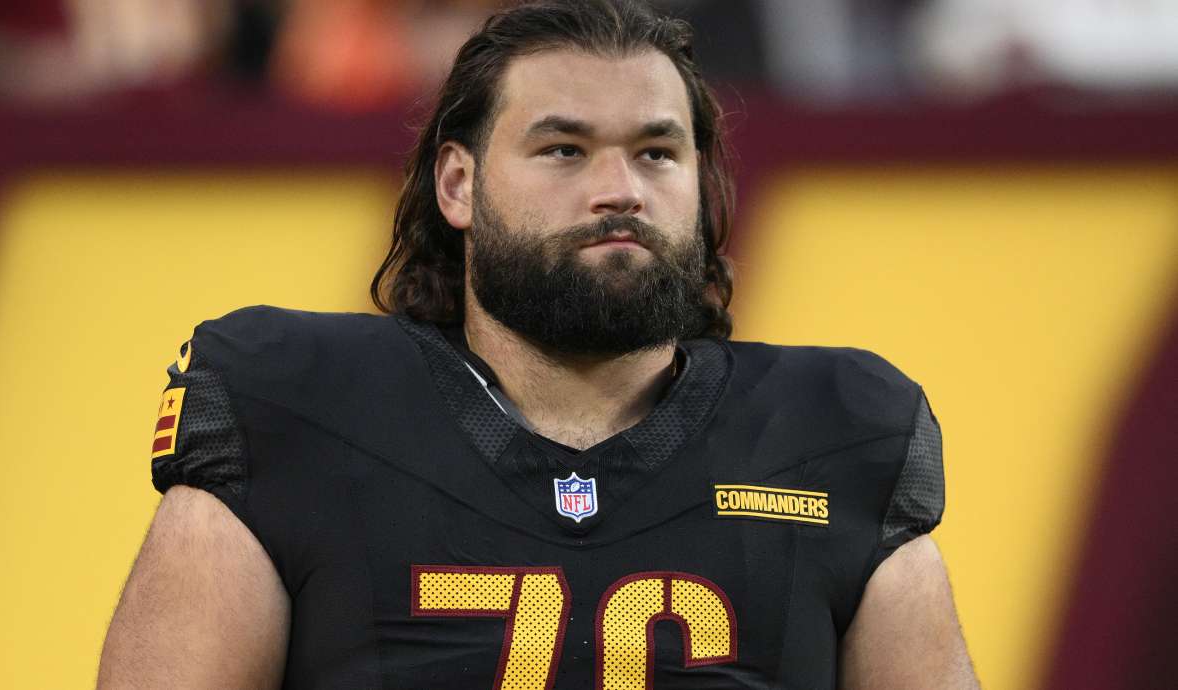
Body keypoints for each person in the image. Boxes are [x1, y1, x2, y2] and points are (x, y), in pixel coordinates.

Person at [97, 1, 980, 688]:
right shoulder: (289, 409)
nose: (619, 189)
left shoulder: (842, 437)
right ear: (458, 184)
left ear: (702, 186)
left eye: (657, 153)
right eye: (564, 149)